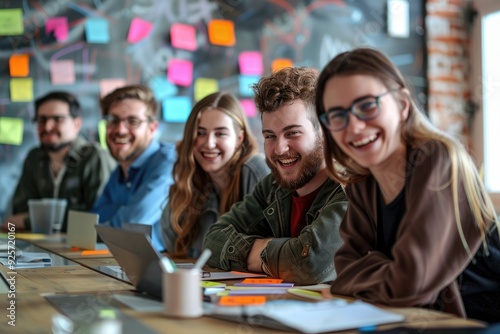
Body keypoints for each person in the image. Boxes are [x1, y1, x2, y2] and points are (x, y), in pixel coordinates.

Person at [315, 47, 499, 318]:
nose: (354, 127)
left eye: (367, 106)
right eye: (337, 115)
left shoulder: (437, 158)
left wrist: (372, 270)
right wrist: (388, 272)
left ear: (401, 105)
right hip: (413, 321)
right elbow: (344, 270)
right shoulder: (362, 182)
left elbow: (410, 284)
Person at [203, 67, 348, 285]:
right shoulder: (273, 186)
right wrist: (283, 253)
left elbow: (310, 265)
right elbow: (212, 240)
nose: (279, 149)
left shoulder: (351, 186)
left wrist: (262, 251)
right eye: (270, 136)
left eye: (293, 133)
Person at [161, 92, 269, 258]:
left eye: (220, 133)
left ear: (239, 138)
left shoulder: (253, 169)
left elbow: (269, 250)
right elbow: (172, 243)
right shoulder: (193, 175)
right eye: (201, 133)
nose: (209, 143)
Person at [2, 91, 114, 231]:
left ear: (77, 124)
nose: (48, 126)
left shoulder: (94, 157)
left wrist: (33, 220)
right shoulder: (34, 158)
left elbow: (97, 217)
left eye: (58, 119)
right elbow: (20, 209)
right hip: (40, 248)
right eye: (42, 120)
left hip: (84, 249)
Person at [92, 85, 176, 252]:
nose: (120, 130)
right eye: (113, 120)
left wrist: (116, 217)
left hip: (170, 268)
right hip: (125, 262)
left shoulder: (168, 163)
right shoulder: (121, 170)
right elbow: (93, 223)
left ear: (152, 128)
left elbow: (132, 226)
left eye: (132, 121)